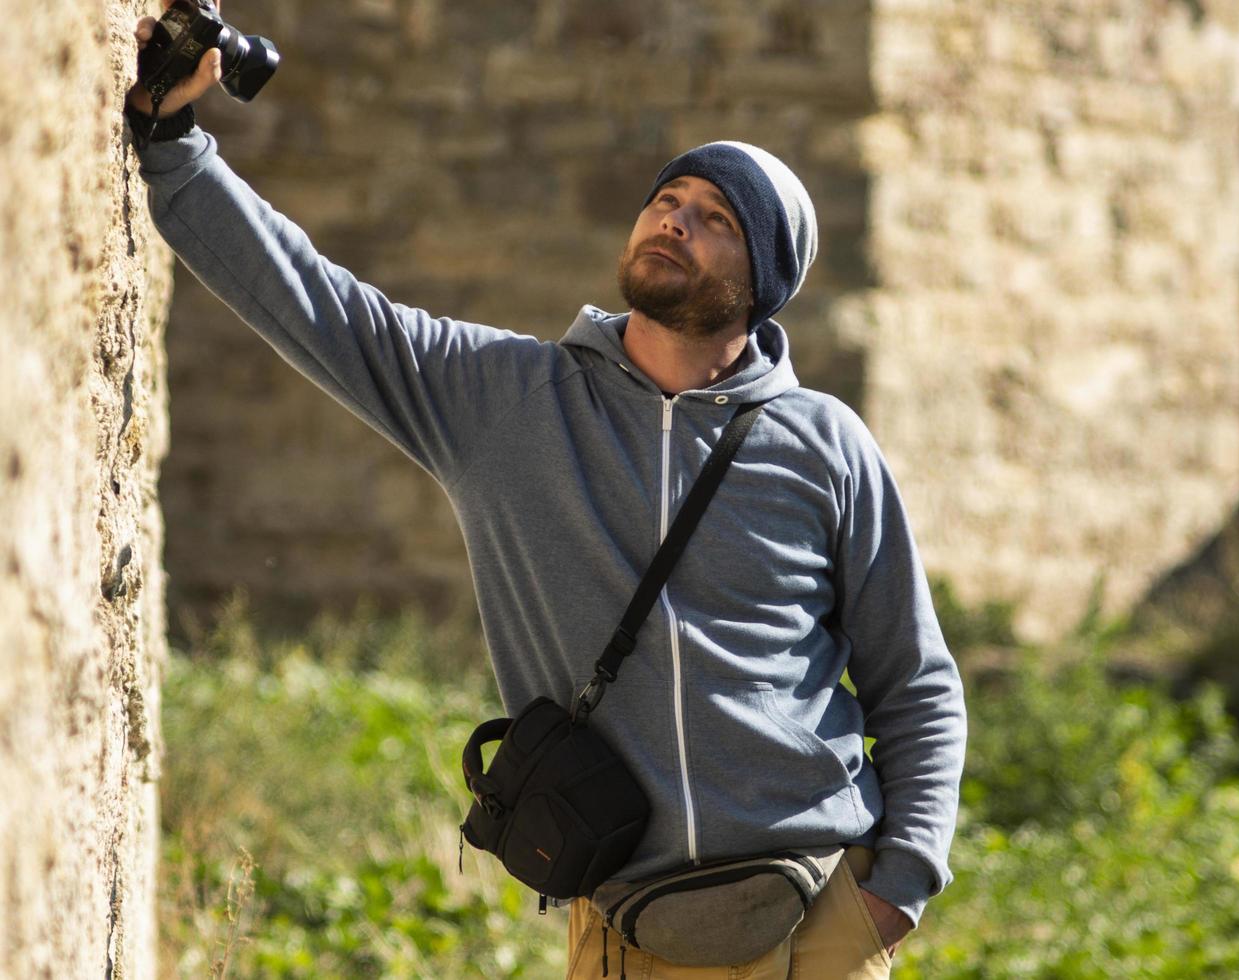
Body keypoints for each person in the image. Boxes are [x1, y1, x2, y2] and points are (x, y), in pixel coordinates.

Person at [126, 6, 966, 977]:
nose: (674, 220)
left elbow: (916, 679)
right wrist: (174, 145)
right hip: (627, 929)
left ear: (762, 277)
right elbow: (321, 307)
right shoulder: (506, 399)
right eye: (669, 199)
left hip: (819, 916)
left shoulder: (826, 444)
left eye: (715, 218)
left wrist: (897, 886)